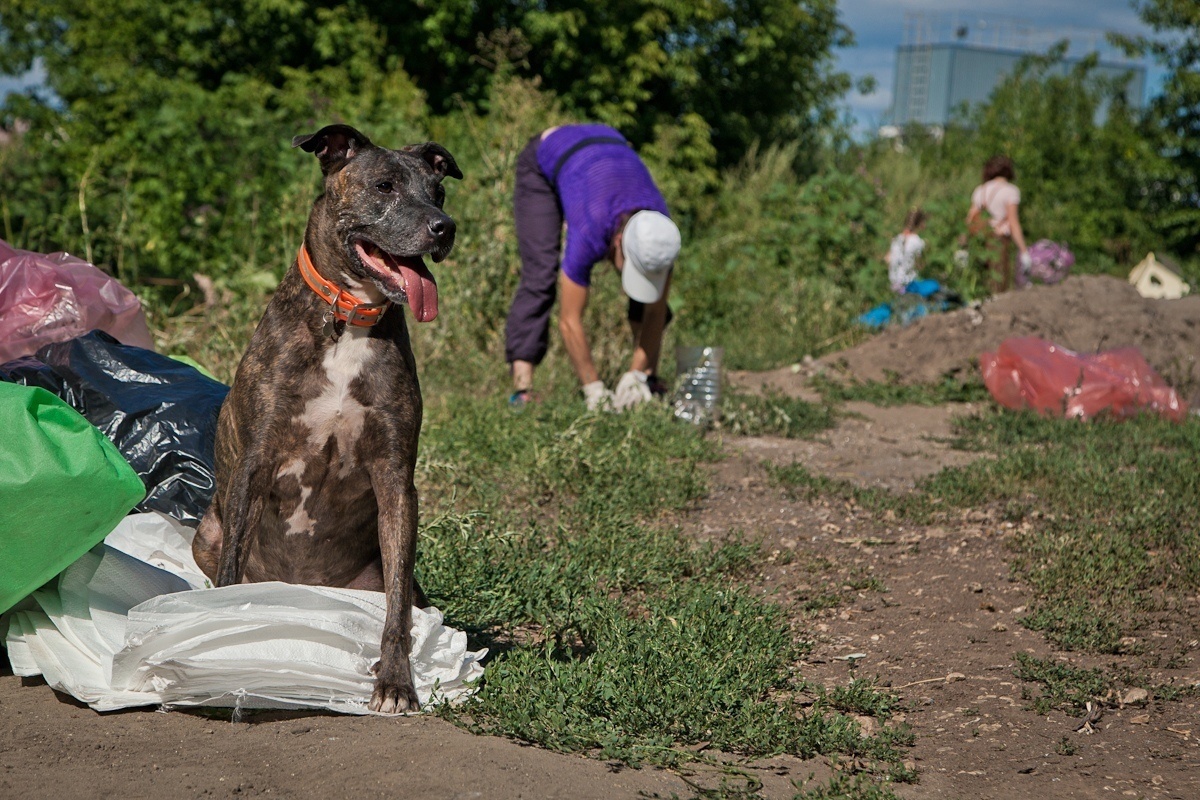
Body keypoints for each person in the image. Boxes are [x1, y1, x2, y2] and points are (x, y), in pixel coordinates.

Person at [505, 123, 681, 411]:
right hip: (547, 156)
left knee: (647, 291)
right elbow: (569, 320)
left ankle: (647, 378)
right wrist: (593, 387)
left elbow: (655, 310)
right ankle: (522, 390)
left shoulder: (661, 236)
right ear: (618, 241)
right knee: (541, 273)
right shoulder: (591, 231)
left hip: (605, 148)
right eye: (629, 267)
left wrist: (636, 374)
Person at [965, 155, 1029, 293]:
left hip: (980, 239)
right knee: (998, 283)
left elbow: (970, 218)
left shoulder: (980, 190)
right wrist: (1023, 250)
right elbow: (1013, 222)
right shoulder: (1010, 191)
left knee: (980, 281)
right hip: (998, 240)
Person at [886, 208, 927, 294]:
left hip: (893, 282)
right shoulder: (917, 242)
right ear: (921, 224)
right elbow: (920, 265)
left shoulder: (897, 239)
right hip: (909, 284)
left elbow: (888, 258)